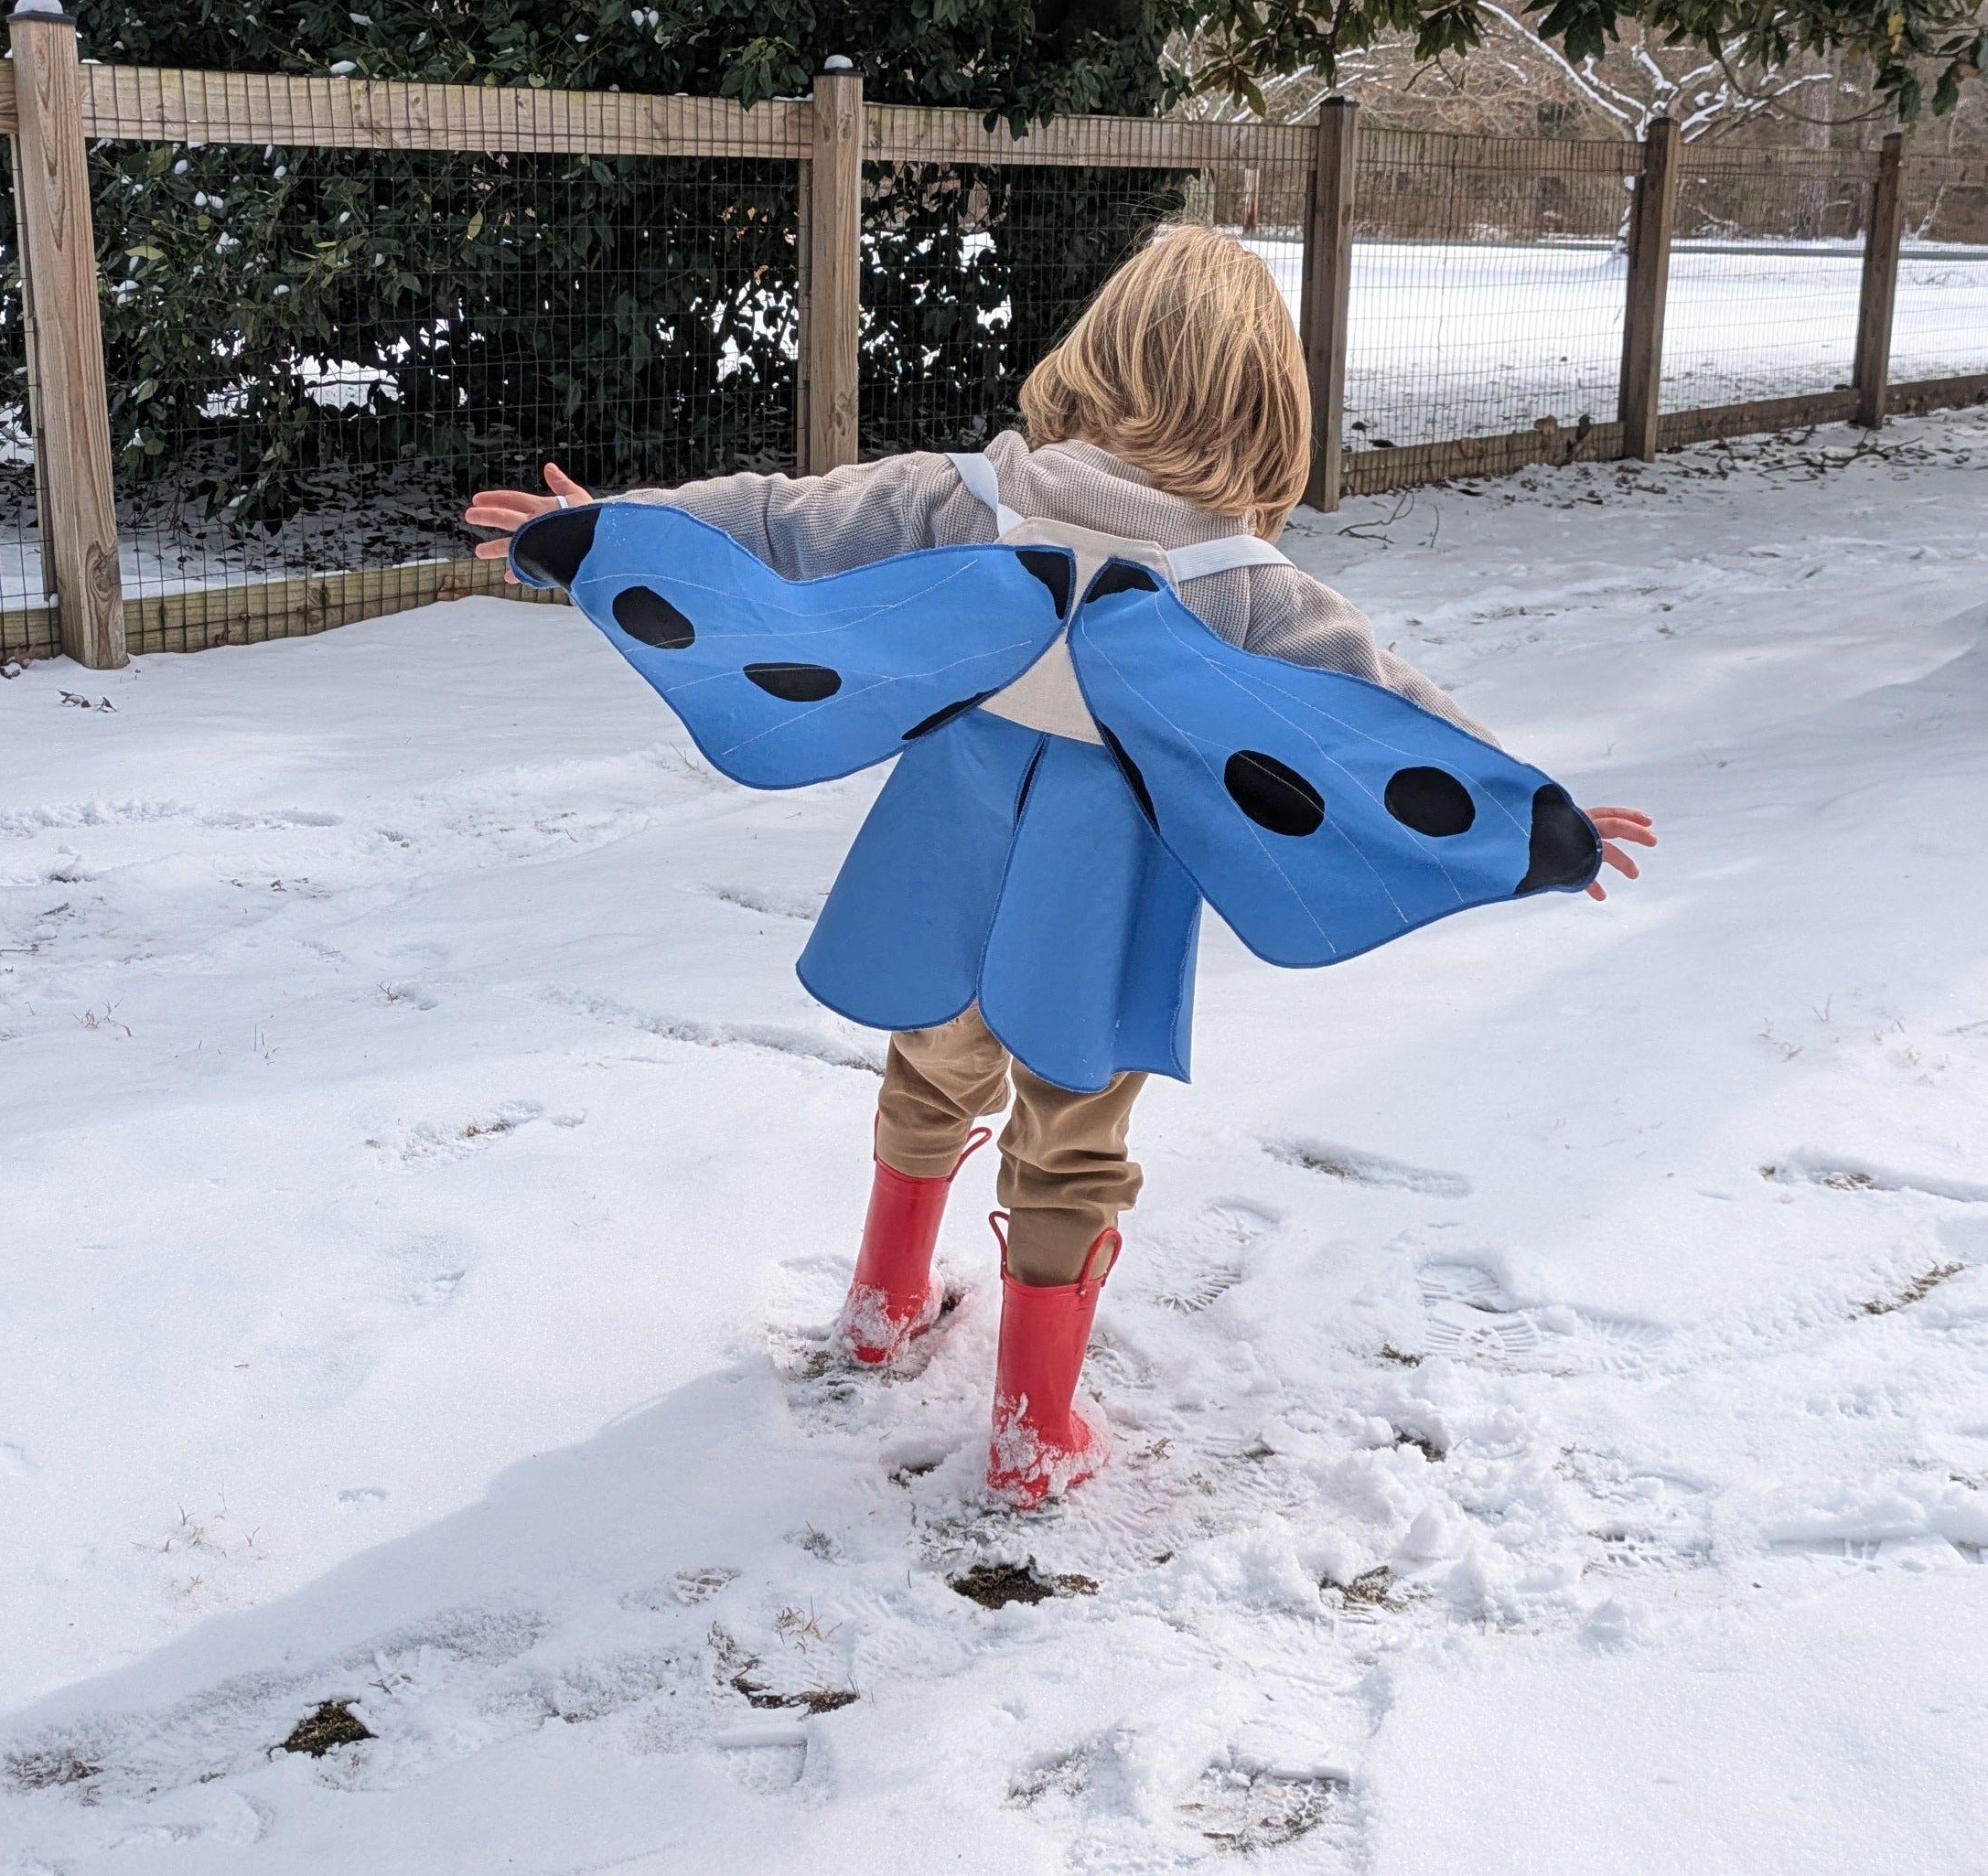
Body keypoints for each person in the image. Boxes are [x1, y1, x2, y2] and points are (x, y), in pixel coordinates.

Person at [466, 227, 1655, 1509]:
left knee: (932, 1057)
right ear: (1264, 404)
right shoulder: (1245, 586)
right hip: (1107, 893)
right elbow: (1379, 725)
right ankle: (1033, 1434)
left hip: (947, 848)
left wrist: (607, 533)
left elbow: (777, 522)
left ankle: (882, 1306)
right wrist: (1530, 822)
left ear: (1095, 354)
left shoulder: (968, 499)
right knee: (1075, 1130)